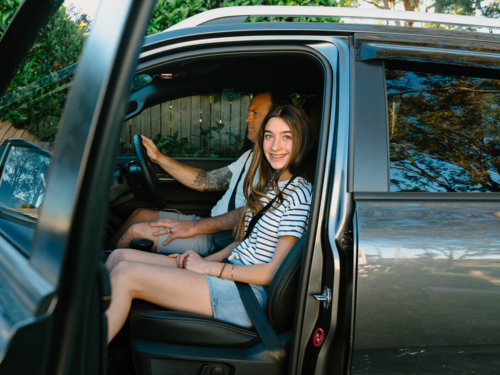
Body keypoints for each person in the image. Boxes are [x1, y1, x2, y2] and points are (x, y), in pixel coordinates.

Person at [105, 105, 314, 343]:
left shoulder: (300, 195)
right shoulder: (273, 185)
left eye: (286, 137)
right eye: (269, 136)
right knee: (117, 258)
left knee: (126, 275)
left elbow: (271, 273)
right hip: (230, 273)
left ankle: (82, 358)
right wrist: (204, 260)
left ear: (301, 141)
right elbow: (242, 244)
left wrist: (209, 268)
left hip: (245, 296)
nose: (275, 146)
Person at [112, 91, 293, 254]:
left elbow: (250, 214)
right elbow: (207, 181)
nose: (247, 119)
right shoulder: (252, 155)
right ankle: (99, 261)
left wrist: (194, 227)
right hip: (210, 224)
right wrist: (159, 157)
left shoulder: (278, 165)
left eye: (255, 113)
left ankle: (100, 279)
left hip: (223, 239)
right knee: (139, 216)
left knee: (135, 232)